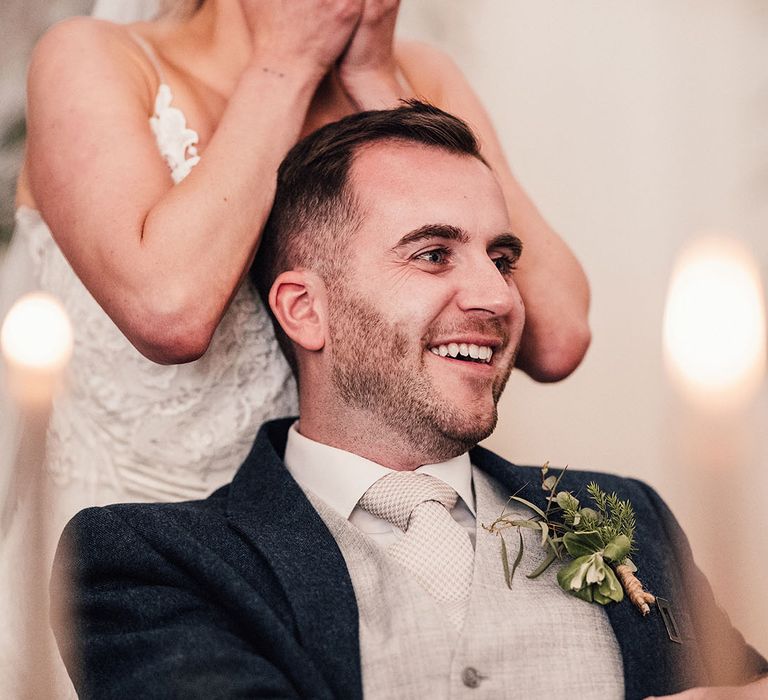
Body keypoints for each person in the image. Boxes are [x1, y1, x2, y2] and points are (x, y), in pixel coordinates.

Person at [53, 102, 766, 699]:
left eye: (503, 259)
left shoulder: (631, 515)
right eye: (433, 254)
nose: (498, 297)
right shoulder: (148, 559)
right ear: (305, 310)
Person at [0, 0, 589, 550]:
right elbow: (168, 313)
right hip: (120, 562)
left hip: (344, 558)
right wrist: (287, 62)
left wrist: (379, 85)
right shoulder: (94, 58)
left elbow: (557, 337)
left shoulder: (419, 73)